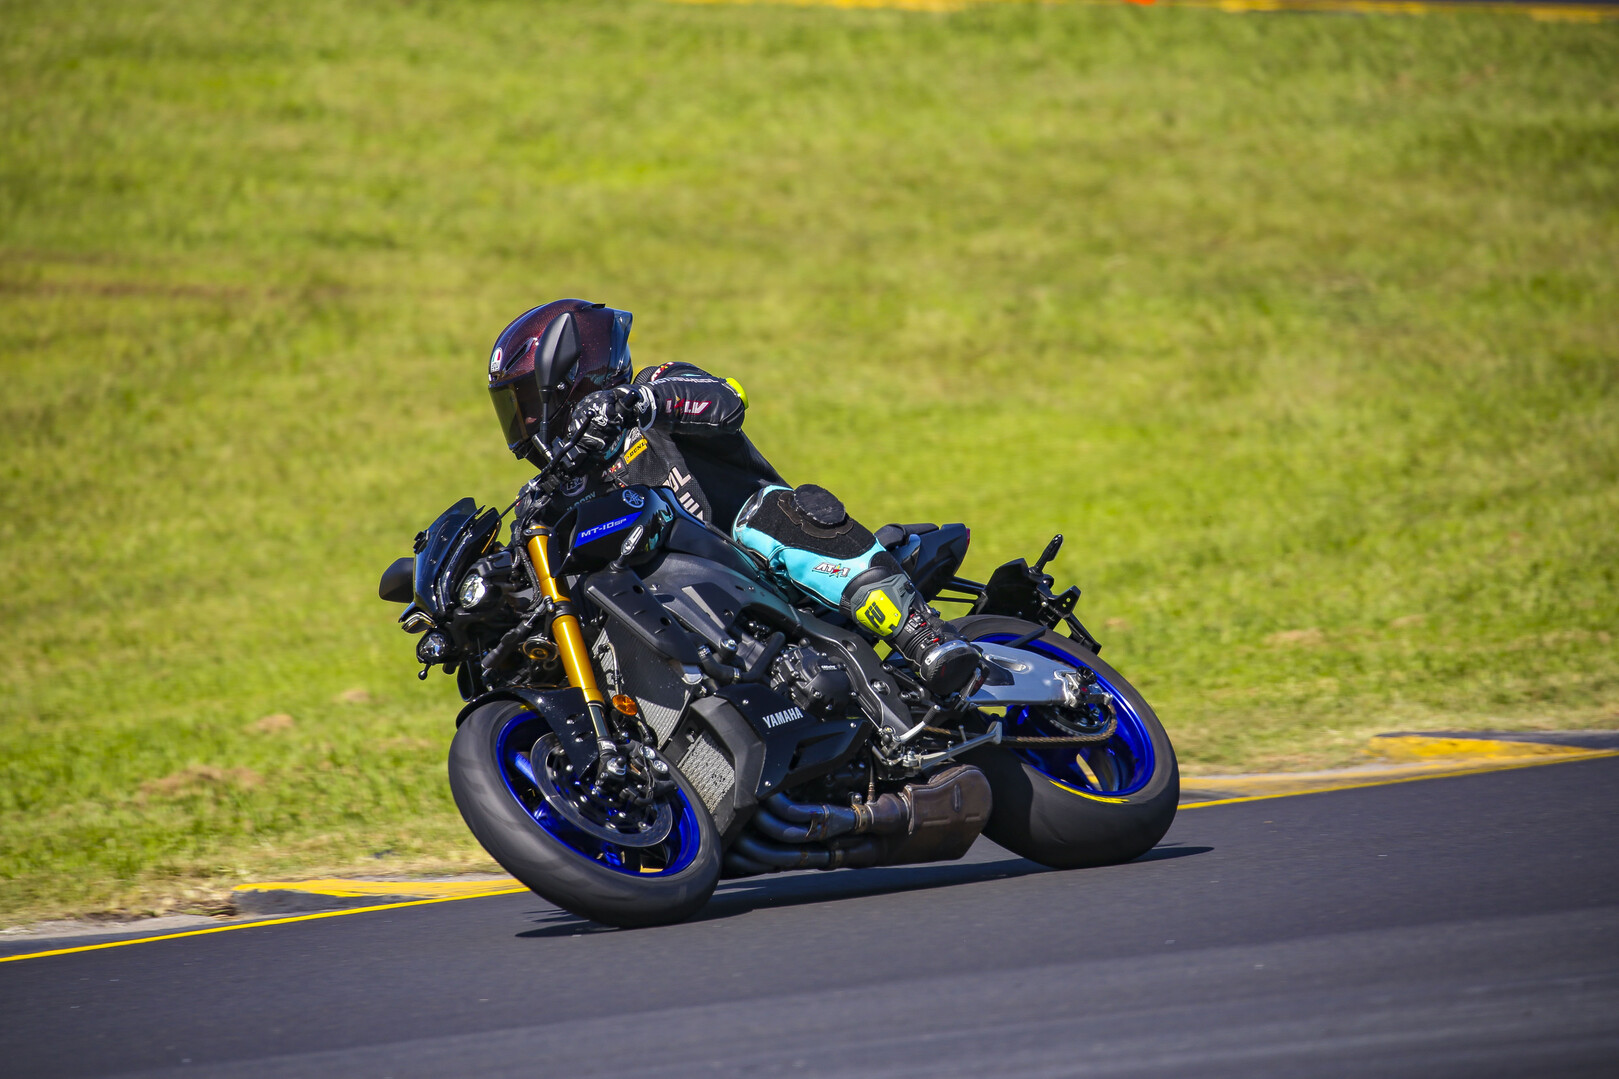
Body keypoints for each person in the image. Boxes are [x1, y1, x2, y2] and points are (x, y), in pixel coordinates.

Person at [485, 298, 981, 697]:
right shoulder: (559, 496)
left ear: (573, 377)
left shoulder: (653, 390)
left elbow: (728, 401)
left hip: (750, 561)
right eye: (511, 409)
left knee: (765, 517)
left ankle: (925, 636)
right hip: (677, 608)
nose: (522, 423)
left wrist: (634, 402)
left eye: (524, 403)